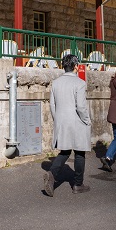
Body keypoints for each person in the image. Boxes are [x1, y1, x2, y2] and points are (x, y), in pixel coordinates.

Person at [44, 53, 91, 196]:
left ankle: (52, 173)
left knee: (64, 151)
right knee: (79, 152)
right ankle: (78, 184)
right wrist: (87, 121)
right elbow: (81, 107)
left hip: (61, 120)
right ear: (76, 66)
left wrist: (57, 118)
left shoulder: (56, 83)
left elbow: (52, 105)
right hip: (77, 121)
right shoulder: (80, 83)